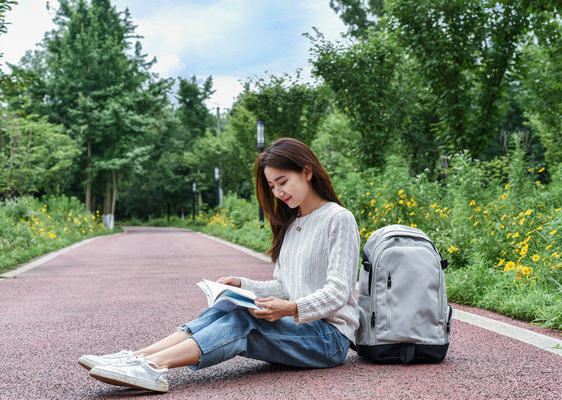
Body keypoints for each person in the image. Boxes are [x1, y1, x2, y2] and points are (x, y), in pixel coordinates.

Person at [79, 138, 361, 393]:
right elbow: (286, 286)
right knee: (228, 304)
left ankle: (153, 367)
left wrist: (289, 309)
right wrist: (242, 285)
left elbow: (339, 292)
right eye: (272, 186)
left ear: (307, 172)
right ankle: (138, 357)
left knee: (244, 319)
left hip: (328, 339)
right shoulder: (291, 224)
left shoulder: (338, 219)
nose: (277, 193)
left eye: (282, 181)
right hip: (299, 327)